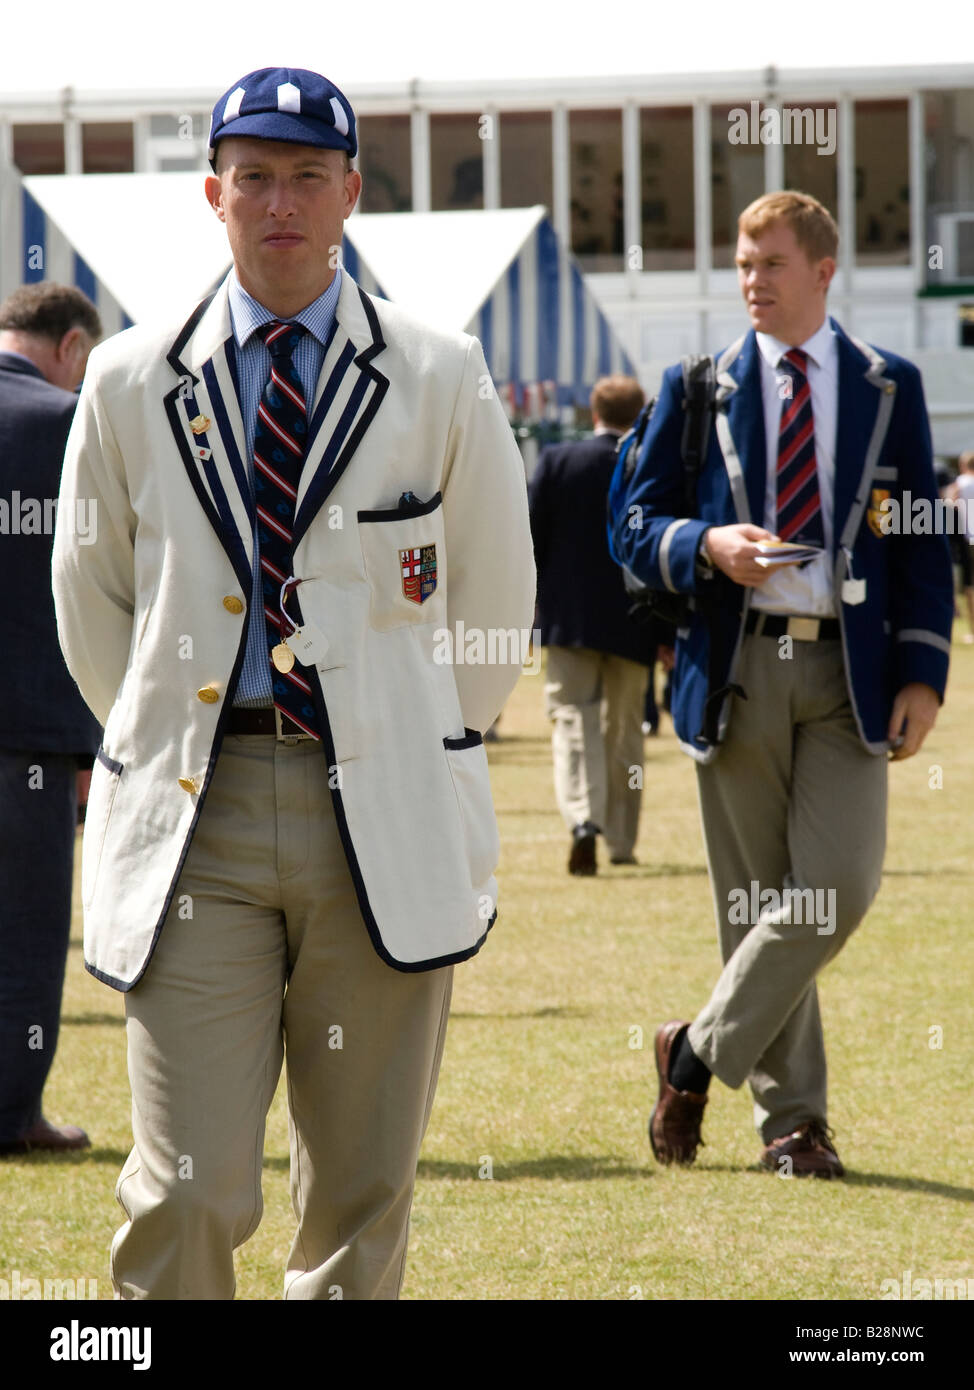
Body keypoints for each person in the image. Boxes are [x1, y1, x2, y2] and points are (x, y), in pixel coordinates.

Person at [52, 66, 534, 1297]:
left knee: (362, 1190)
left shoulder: (439, 370)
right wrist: (177, 733)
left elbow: (492, 596)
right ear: (211, 195)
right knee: (190, 1183)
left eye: (307, 177)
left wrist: (417, 746)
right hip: (193, 818)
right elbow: (92, 599)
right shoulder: (127, 377)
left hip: (378, 810)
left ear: (350, 194)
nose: (280, 203)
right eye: (253, 178)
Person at [614, 191, 952, 1178]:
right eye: (742, 261)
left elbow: (918, 536)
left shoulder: (887, 386)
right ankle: (791, 1126)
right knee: (757, 901)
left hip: (852, 669)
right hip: (735, 667)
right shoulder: (696, 385)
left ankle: (691, 1052)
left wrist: (923, 670)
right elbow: (634, 526)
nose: (749, 280)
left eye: (769, 262)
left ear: (820, 272)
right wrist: (704, 542)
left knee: (833, 889)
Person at [0, 283, 102, 1156]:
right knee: (26, 931)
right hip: (27, 728)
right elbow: (92, 592)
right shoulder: (64, 426)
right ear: (71, 347)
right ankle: (11, 1111)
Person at [529, 375, 656, 874]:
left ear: (592, 412)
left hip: (570, 620)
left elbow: (531, 539)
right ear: (641, 413)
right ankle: (622, 842)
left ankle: (583, 818)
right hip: (636, 621)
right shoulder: (650, 465)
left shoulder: (558, 461)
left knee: (571, 719)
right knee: (626, 733)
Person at [944, 451, 974, 642]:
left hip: (969, 539)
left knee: (970, 586)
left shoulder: (960, 483)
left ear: (963, 465)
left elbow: (947, 504)